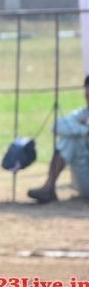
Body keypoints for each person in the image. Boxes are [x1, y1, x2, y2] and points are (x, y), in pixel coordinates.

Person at [27, 75, 89, 203]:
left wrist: (87, 122)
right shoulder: (82, 113)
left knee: (71, 134)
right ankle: (48, 187)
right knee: (69, 139)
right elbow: (57, 126)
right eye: (87, 96)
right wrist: (86, 130)